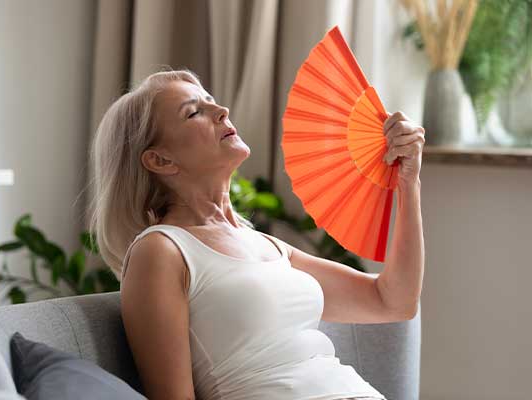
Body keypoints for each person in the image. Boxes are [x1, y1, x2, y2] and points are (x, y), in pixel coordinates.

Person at [88, 68, 425, 400]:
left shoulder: (265, 245)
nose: (222, 112)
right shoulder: (161, 251)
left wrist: (409, 183)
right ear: (160, 160)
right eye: (194, 113)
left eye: (212, 101)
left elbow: (392, 301)